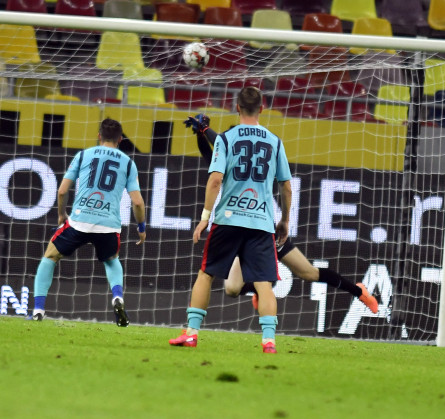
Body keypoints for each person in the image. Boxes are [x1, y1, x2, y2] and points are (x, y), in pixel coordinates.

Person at [183, 113, 378, 313]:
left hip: (262, 231)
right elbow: (211, 151)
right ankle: (260, 291)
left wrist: (206, 130)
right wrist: (200, 133)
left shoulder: (256, 158)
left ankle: (358, 291)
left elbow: (220, 142)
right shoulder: (224, 160)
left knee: (308, 272)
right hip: (239, 230)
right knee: (232, 289)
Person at [169, 86, 292, 354]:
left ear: (236, 107)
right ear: (262, 109)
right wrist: (284, 219)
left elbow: (215, 179)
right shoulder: (275, 141)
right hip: (260, 221)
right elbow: (286, 186)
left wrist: (204, 217)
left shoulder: (226, 139)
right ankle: (269, 341)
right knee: (263, 284)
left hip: (228, 218)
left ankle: (191, 334)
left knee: (206, 274)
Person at [27, 118, 146, 326]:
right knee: (111, 259)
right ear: (120, 139)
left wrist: (62, 214)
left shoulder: (83, 155)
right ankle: (117, 296)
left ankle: (38, 310)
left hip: (79, 221)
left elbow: (62, 190)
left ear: (99, 135)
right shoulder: (128, 163)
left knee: (50, 256)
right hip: (108, 225)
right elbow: (137, 202)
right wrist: (141, 227)